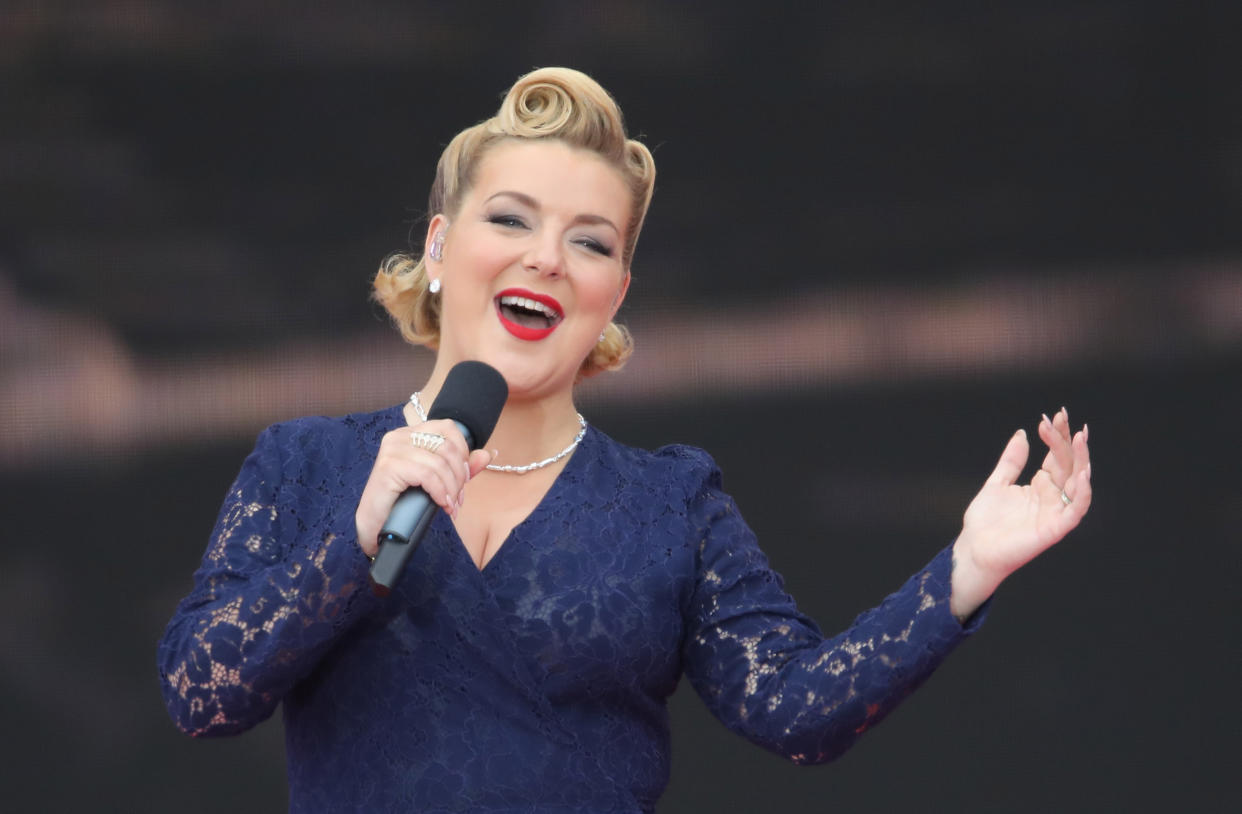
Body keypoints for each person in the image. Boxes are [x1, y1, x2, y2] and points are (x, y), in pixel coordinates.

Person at [157, 67, 1093, 812]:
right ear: (440, 247)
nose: (547, 259)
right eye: (511, 219)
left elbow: (797, 710)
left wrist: (968, 568)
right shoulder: (307, 462)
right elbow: (202, 694)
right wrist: (352, 541)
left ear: (616, 290)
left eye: (591, 242)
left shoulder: (669, 503)